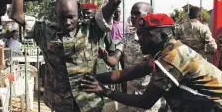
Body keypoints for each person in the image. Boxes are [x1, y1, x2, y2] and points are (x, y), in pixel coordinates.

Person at [10, 0, 121, 112]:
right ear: (55, 15)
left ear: (78, 11)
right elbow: (16, 15)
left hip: (89, 104)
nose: (67, 22)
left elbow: (115, 0)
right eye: (62, 18)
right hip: (60, 105)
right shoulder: (44, 31)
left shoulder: (92, 29)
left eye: (71, 17)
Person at [81, 13, 222, 112]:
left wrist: (105, 91)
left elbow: (145, 102)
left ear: (163, 36)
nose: (139, 39)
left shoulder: (171, 59)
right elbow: (125, 73)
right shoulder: (162, 52)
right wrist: (93, 79)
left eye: (145, 35)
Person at [98, 3, 169, 112]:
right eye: (132, 13)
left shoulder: (155, 41)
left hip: (151, 97)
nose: (133, 16)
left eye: (137, 13)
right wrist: (105, 56)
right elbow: (115, 62)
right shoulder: (127, 38)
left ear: (149, 15)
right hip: (131, 97)